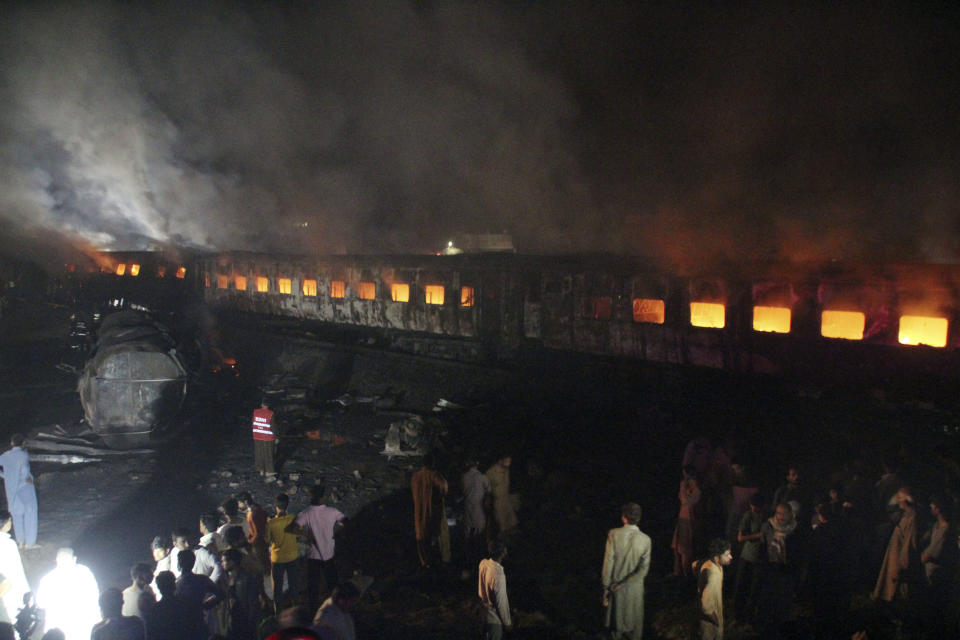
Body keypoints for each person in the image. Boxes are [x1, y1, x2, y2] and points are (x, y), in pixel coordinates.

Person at [288, 484, 345, 612]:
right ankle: (336, 608)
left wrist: (306, 535)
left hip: (313, 556)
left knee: (312, 587)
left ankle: (313, 611)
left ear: (311, 497)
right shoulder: (332, 511)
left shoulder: (306, 513)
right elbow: (347, 523)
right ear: (323, 497)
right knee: (333, 584)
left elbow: (291, 528)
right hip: (329, 555)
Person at [602, 503, 651, 640]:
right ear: (639, 518)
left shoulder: (613, 534)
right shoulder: (646, 540)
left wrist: (606, 587)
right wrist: (626, 583)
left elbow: (608, 563)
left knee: (615, 630)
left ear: (624, 518)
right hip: (635, 591)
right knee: (634, 632)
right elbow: (643, 570)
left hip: (615, 588)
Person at [36, 547, 100, 640]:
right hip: (75, 628)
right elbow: (95, 595)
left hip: (78, 628)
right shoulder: (85, 572)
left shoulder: (48, 579)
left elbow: (40, 604)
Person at [873, 487, 921, 603]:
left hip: (899, 561)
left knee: (898, 594)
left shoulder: (912, 519)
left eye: (900, 497)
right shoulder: (905, 516)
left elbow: (909, 544)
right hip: (895, 557)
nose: (897, 500)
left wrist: (901, 567)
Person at [411, 452, 449, 569]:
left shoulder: (415, 477)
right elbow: (444, 489)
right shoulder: (435, 476)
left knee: (421, 540)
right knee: (435, 540)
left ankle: (424, 564)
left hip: (419, 514)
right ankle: (438, 565)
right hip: (432, 514)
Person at [0, 434, 38, 549]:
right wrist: (27, 478)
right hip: (25, 486)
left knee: (16, 514)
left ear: (11, 443)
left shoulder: (5, 456)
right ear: (22, 443)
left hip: (11, 489)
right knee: (30, 513)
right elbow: (25, 469)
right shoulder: (23, 455)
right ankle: (30, 543)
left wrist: (5, 476)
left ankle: (20, 542)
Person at [176, 549, 224, 639]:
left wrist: (204, 606)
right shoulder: (201, 579)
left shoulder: (177, 584)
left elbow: (220, 594)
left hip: (186, 626)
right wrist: (204, 605)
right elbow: (220, 594)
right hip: (198, 622)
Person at [732, 493, 764, 624]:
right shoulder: (749, 516)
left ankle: (750, 616)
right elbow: (740, 538)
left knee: (754, 589)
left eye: (755, 506)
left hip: (761, 558)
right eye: (751, 506)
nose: (753, 508)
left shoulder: (768, 516)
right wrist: (758, 536)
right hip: (747, 557)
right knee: (741, 586)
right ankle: (738, 616)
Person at [266, 493, 301, 608]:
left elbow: (267, 539)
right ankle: (295, 609)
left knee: (277, 587)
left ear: (275, 506)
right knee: (294, 585)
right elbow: (298, 535)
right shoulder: (293, 519)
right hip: (292, 556)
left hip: (278, 559)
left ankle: (278, 613)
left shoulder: (271, 523)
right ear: (287, 505)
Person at [219, 548, 262, 640]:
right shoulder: (229, 578)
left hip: (245, 622)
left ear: (232, 562)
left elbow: (252, 602)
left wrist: (252, 621)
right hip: (234, 621)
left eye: (224, 560)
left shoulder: (246, 578)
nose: (221, 563)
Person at [695, 538, 733, 640]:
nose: (730, 557)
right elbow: (706, 606)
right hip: (710, 624)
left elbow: (695, 564)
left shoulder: (714, 565)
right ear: (716, 558)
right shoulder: (713, 575)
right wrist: (717, 621)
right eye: (726, 555)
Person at [140, 571, 191, 640]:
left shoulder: (153, 611)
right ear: (174, 585)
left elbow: (150, 635)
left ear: (159, 588)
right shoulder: (185, 605)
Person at [461, 457, 491, 571]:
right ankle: (479, 561)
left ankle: (468, 560)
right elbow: (489, 493)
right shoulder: (483, 478)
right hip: (479, 511)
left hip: (467, 510)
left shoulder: (463, 477)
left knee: (467, 537)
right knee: (479, 536)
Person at [477, 541, 511, 640]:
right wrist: (507, 623)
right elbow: (501, 602)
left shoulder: (483, 564)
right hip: (494, 620)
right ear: (503, 553)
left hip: (483, 615)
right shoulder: (498, 575)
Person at [671, 465, 701, 577]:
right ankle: (677, 572)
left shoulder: (697, 491)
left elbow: (687, 502)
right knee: (676, 547)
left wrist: (683, 486)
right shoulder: (685, 488)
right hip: (682, 520)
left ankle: (686, 576)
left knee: (685, 550)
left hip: (689, 522)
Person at [0, 510, 28, 624]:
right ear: (6, 523)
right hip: (9, 588)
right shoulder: (9, 544)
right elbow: (17, 571)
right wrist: (25, 591)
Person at [238, 491, 271, 576]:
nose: (238, 506)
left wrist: (249, 541)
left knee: (261, 565)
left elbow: (257, 531)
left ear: (245, 501)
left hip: (257, 542)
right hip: (262, 540)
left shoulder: (253, 512)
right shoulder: (258, 508)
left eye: (239, 503)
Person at [485, 455, 518, 540]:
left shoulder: (507, 471)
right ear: (500, 461)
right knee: (502, 526)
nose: (509, 463)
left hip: (506, 500)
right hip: (498, 502)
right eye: (507, 460)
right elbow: (487, 488)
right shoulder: (490, 472)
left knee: (512, 524)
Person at [252, 399, 278, 478]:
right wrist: (277, 437)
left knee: (259, 453)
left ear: (262, 404)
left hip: (257, 435)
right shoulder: (270, 413)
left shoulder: (255, 412)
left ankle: (261, 470)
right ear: (268, 405)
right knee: (268, 454)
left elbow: (253, 423)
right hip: (268, 437)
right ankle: (269, 471)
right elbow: (273, 427)